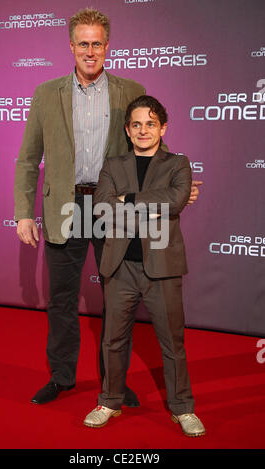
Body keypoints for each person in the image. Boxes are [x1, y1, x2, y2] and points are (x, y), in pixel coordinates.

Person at [14, 8, 201, 407]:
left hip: (112, 209)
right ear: (71, 46)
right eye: (83, 43)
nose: (90, 50)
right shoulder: (47, 93)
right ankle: (62, 377)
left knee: (116, 300)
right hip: (65, 208)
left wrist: (177, 182)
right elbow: (29, 158)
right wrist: (24, 213)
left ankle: (112, 385)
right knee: (62, 299)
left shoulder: (129, 89)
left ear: (107, 46)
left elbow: (149, 141)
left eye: (97, 43)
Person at [84, 95, 205, 437]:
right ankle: (109, 400)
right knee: (113, 339)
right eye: (136, 124)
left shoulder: (178, 164)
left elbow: (176, 199)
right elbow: (102, 207)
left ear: (163, 128)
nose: (143, 130)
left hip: (162, 267)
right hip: (120, 266)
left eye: (150, 123)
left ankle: (183, 408)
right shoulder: (113, 165)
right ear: (127, 129)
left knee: (172, 342)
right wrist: (149, 205)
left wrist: (129, 200)